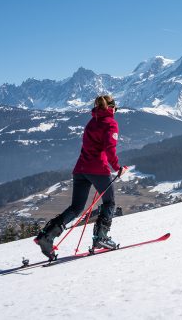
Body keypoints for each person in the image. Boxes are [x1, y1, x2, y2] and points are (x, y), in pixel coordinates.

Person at [35, 95, 125, 260]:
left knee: (76, 207)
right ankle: (101, 238)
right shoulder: (111, 123)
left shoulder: (92, 122)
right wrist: (118, 168)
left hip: (80, 169)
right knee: (109, 202)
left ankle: (46, 237)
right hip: (98, 169)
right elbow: (110, 150)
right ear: (112, 108)